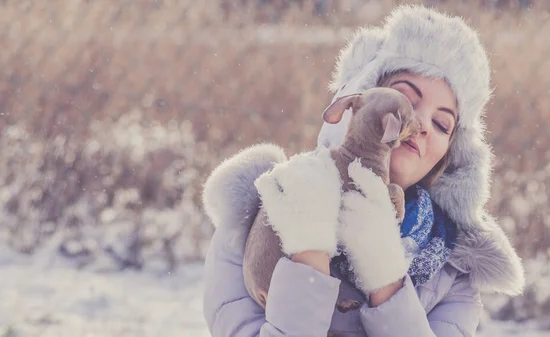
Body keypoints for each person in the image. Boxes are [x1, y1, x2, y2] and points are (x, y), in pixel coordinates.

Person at [201, 4, 525, 337]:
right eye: (403, 98)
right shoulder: (261, 207)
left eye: (443, 124)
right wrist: (308, 254)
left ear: (450, 156)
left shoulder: (452, 269)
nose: (423, 124)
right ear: (357, 103)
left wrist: (385, 275)